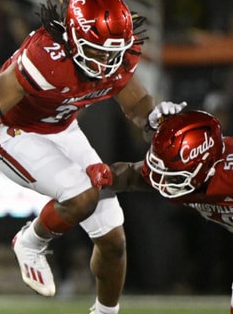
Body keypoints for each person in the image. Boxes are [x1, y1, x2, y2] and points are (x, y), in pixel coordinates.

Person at [0, 0, 186, 314]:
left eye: (114, 52)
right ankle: (30, 242)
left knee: (114, 241)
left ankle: (105, 313)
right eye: (98, 51)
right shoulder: (46, 57)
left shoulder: (116, 55)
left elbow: (136, 104)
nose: (108, 61)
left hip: (64, 129)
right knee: (83, 195)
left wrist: (154, 119)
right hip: (15, 133)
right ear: (76, 39)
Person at [86, 109, 233, 312]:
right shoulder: (182, 173)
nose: (165, 181)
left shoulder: (227, 177)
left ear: (206, 165)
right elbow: (132, 175)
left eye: (174, 174)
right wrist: (107, 175)